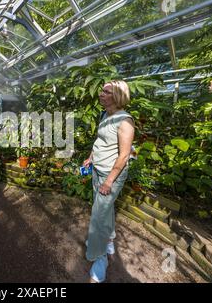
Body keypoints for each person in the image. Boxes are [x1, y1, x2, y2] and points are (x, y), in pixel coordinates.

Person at [83, 80, 135, 282]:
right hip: (98, 170)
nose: (100, 94)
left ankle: (99, 257)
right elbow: (100, 141)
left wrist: (109, 182)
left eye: (106, 92)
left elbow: (124, 156)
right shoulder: (106, 114)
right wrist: (91, 157)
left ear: (118, 96)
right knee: (105, 210)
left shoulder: (125, 121)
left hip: (110, 176)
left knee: (98, 216)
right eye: (102, 90)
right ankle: (109, 240)